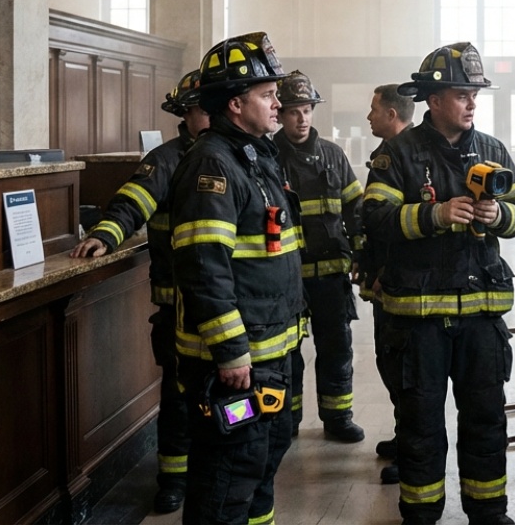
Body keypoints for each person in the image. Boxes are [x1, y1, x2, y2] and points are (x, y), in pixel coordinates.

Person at [362, 42, 515, 525]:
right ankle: (420, 515)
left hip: (482, 317)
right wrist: (433, 214)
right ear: (434, 100)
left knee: (486, 420)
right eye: (462, 94)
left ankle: (488, 511)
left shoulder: (494, 150)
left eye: (475, 94)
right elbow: (374, 217)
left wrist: (500, 213)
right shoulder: (397, 153)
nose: (472, 103)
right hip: (418, 322)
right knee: (420, 427)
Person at [167, 32, 305, 525]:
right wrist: (230, 351)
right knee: (226, 483)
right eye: (267, 95)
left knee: (259, 471)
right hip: (237, 362)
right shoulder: (213, 164)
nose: (278, 103)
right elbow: (204, 266)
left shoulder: (255, 155)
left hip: (270, 352)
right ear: (234, 103)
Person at [70, 69, 208, 514]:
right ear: (184, 115)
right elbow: (134, 200)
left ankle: (214, 471)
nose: (205, 116)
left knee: (223, 398)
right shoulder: (166, 159)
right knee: (179, 396)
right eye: (198, 110)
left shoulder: (240, 155)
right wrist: (107, 234)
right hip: (178, 304)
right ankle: (172, 478)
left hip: (229, 305)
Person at [273, 70, 366, 443]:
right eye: (294, 110)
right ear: (280, 113)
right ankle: (289, 420)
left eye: (307, 109)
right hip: (286, 276)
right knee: (287, 353)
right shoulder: (266, 157)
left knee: (337, 349)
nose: (302, 118)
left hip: (330, 275)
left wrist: (361, 251)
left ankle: (338, 416)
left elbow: (355, 207)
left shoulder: (333, 154)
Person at [362, 83, 415, 486]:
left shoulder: (408, 158)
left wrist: (383, 271)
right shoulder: (387, 156)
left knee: (404, 369)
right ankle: (403, 436)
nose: (369, 116)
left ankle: (414, 451)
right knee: (388, 359)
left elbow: (398, 228)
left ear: (393, 115)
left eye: (374, 110)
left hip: (399, 282)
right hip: (383, 277)